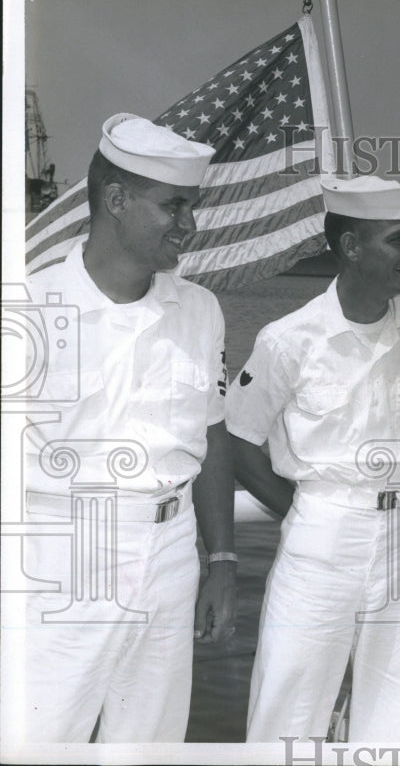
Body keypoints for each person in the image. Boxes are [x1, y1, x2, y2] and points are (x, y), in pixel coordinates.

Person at [18, 113, 237, 743]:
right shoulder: (30, 310)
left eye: (191, 207)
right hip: (63, 559)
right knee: (39, 741)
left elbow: (213, 433)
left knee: (150, 746)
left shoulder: (199, 310)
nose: (190, 225)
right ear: (116, 200)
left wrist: (221, 559)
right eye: (174, 206)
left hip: (172, 558)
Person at [227, 175, 400, 743]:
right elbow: (236, 440)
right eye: (399, 239)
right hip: (322, 537)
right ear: (352, 248)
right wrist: (302, 510)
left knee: (393, 713)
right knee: (289, 709)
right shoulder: (289, 339)